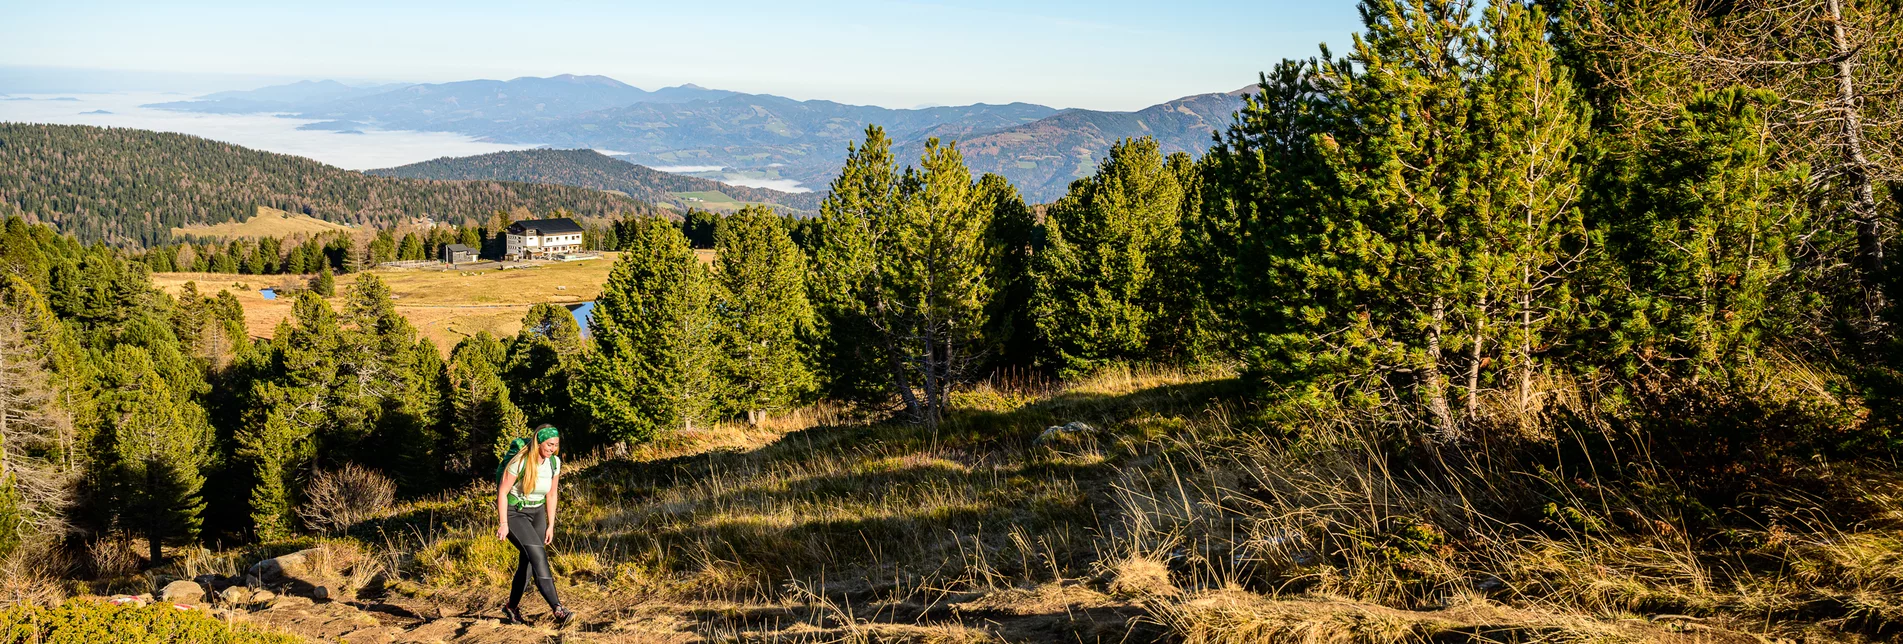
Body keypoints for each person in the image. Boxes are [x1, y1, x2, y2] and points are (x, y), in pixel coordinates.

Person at [496, 425, 573, 626]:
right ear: (538, 442)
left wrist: (551, 525)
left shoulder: (554, 463)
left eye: (556, 445)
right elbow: (502, 492)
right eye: (549, 444)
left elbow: (552, 494)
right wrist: (503, 523)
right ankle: (558, 609)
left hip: (537, 512)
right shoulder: (520, 462)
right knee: (538, 556)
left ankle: (511, 608)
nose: (553, 449)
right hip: (515, 513)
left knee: (529, 562)